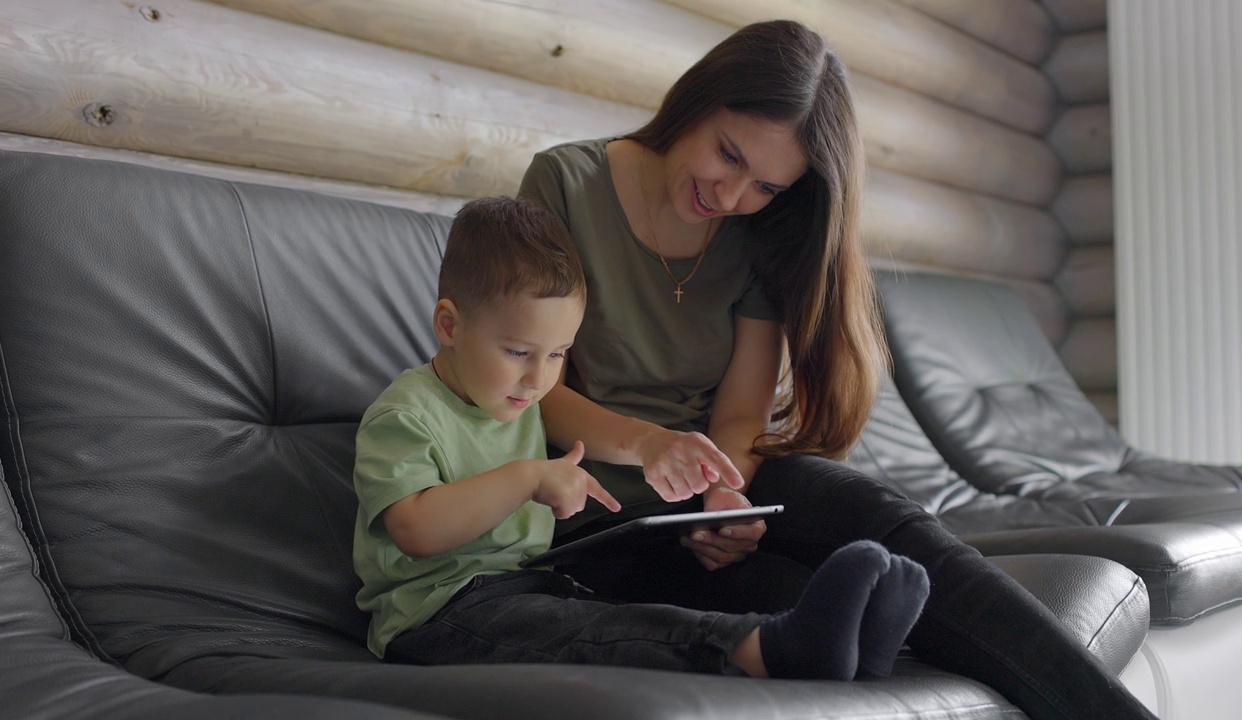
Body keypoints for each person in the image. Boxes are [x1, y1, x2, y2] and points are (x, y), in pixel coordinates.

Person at [517, 19, 1158, 720]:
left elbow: (738, 416)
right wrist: (649, 446)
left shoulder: (758, 233)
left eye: (764, 186)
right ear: (698, 100)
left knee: (887, 524)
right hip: (596, 509)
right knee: (818, 601)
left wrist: (724, 495)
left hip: (710, 482)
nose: (730, 197)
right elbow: (529, 389)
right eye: (727, 155)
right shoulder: (566, 184)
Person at [350, 195, 930, 681]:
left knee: (630, 610)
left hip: (532, 584)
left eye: (557, 355)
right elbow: (416, 530)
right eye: (519, 352)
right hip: (435, 614)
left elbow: (606, 435)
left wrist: (656, 451)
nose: (538, 378)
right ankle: (770, 649)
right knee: (601, 635)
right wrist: (528, 477)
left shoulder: (516, 396)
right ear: (449, 325)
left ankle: (855, 649)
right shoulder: (406, 414)